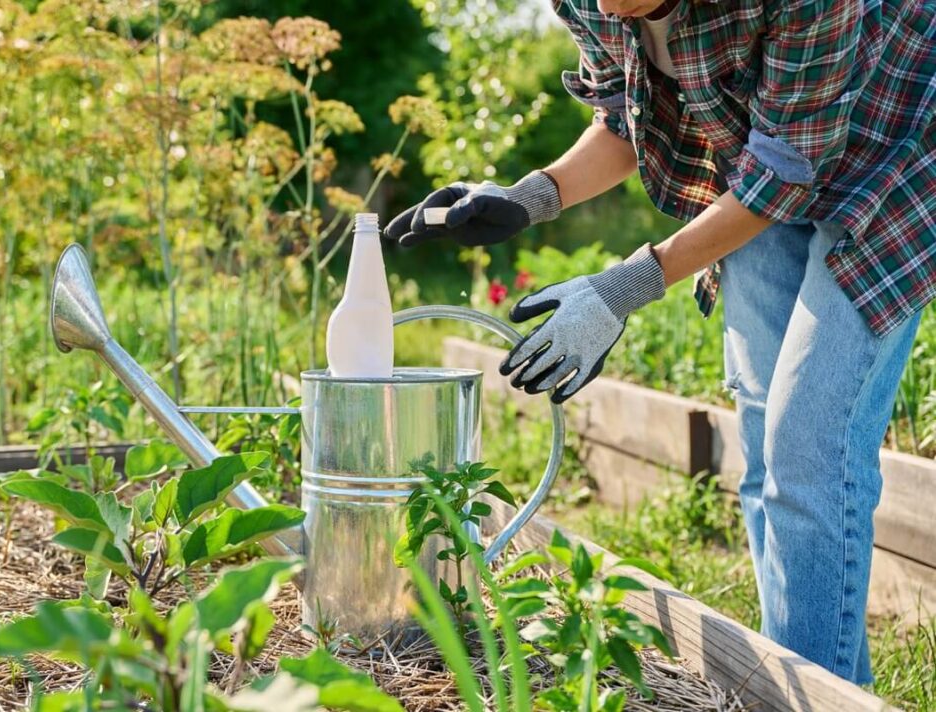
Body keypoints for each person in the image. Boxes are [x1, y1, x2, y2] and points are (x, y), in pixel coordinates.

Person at [385, 0, 936, 685]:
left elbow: (784, 174)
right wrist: (528, 198)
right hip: (764, 156)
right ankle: (825, 691)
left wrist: (624, 287)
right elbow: (623, 121)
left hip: (890, 158)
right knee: (765, 443)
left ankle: (804, 700)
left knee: (808, 443)